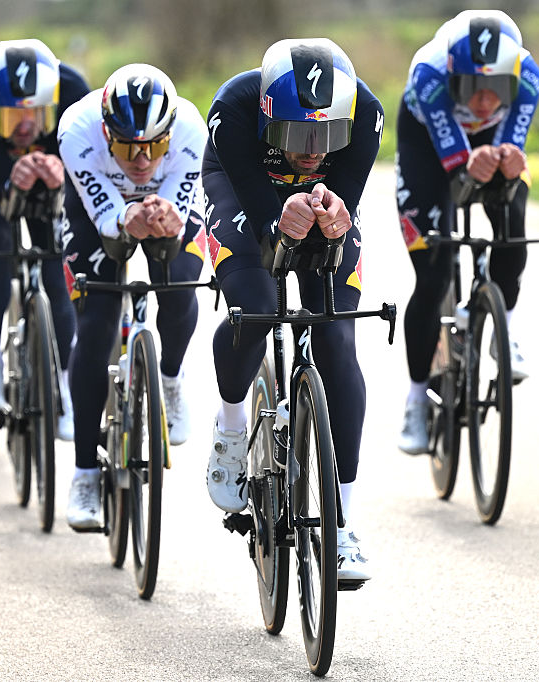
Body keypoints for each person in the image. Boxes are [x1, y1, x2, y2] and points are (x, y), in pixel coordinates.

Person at [203, 38, 383, 581]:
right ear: (266, 116)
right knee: (255, 308)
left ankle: (342, 521)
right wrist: (274, 219)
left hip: (317, 200)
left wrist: (333, 214)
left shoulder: (367, 113)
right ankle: (233, 426)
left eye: (327, 135)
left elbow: (345, 194)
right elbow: (257, 209)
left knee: (335, 337)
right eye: (296, 132)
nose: (311, 150)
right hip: (242, 192)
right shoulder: (233, 107)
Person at [58, 64, 208, 530]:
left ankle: (169, 378)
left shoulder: (190, 131)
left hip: (169, 205)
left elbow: (181, 210)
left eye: (152, 147)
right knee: (97, 323)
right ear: (106, 133)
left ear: (168, 135)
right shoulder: (76, 131)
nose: (141, 161)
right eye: (126, 147)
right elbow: (102, 214)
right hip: (95, 211)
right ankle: (84, 472)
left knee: (180, 284)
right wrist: (124, 218)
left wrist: (167, 214)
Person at [396, 10, 539, 455]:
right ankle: (417, 398)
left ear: (513, 79)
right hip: (427, 141)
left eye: (496, 88)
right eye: (472, 88)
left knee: (513, 227)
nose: (482, 101)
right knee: (434, 272)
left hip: (492, 141)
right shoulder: (430, 73)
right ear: (453, 75)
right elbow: (457, 170)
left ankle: (505, 331)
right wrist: (469, 164)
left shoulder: (529, 76)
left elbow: (509, 152)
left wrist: (510, 164)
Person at [0, 39, 89, 441]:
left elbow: (89, 160)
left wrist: (58, 171)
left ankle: (69, 386)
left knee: (57, 257)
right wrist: (11, 173)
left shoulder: (74, 91)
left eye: (34, 114)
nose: (24, 127)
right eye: (12, 116)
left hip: (55, 157)